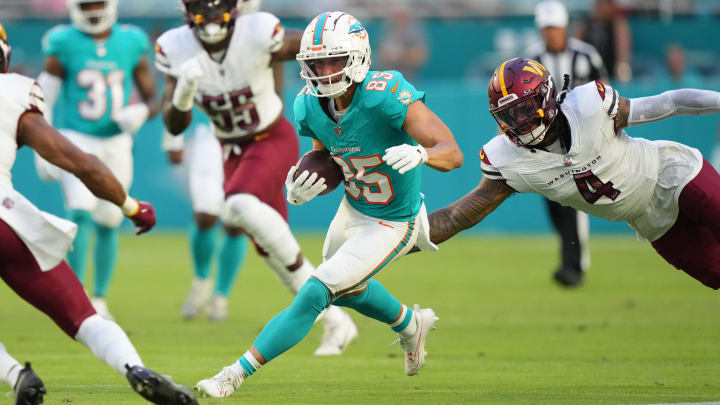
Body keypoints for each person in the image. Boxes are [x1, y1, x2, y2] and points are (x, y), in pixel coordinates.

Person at [194, 11, 463, 398]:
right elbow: (326, 156)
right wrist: (304, 186)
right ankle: (409, 324)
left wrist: (422, 153)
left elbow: (452, 152)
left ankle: (232, 375)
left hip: (394, 221)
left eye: (334, 59)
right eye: (315, 62)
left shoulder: (386, 94)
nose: (323, 70)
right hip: (354, 209)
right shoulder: (309, 106)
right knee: (348, 290)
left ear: (358, 57)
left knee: (315, 291)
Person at [0, 23, 197, 405]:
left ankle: (15, 374)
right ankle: (134, 368)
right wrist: (131, 206)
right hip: (6, 221)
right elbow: (80, 163)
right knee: (82, 315)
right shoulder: (12, 92)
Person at [155, 0, 357, 353]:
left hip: (270, 138)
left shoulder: (258, 31)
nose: (211, 14)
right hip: (231, 150)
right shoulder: (176, 47)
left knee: (237, 205)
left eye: (217, 6)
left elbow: (316, 46)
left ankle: (339, 318)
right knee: (271, 250)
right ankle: (342, 322)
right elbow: (173, 122)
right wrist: (184, 93)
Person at [420, 57, 720, 291]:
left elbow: (670, 103)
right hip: (651, 220)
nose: (517, 122)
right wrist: (394, 239)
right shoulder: (508, 160)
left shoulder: (589, 106)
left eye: (523, 110)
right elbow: (456, 217)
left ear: (546, 98)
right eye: (508, 116)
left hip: (673, 173)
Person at [33, 0, 159, 320]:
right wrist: (42, 146)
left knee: (109, 219)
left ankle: (99, 298)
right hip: (76, 139)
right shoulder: (63, 41)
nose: (92, 11)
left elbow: (153, 97)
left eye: (97, 3)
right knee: (80, 212)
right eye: (86, 4)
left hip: (116, 141)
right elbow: (42, 98)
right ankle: (77, 296)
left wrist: (142, 111)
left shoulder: (131, 40)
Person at [527, 0, 609, 286]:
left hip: (582, 137)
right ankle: (572, 258)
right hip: (547, 140)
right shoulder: (533, 59)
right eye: (546, 28)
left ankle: (572, 265)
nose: (551, 33)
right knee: (553, 199)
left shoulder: (585, 55)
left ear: (564, 27)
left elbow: (605, 89)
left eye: (555, 27)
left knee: (571, 198)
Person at [576, 0, 632, 82]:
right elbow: (576, 47)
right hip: (589, 74)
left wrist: (622, 66)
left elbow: (622, 52)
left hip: (610, 73)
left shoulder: (618, 26)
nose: (600, 8)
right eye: (598, 4)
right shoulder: (584, 26)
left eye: (603, 4)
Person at [378, 6, 428, 83]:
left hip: (410, 77)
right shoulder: (387, 30)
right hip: (389, 77)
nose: (400, 20)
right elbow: (382, 54)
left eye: (402, 16)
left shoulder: (415, 33)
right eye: (397, 16)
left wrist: (400, 57)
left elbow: (420, 55)